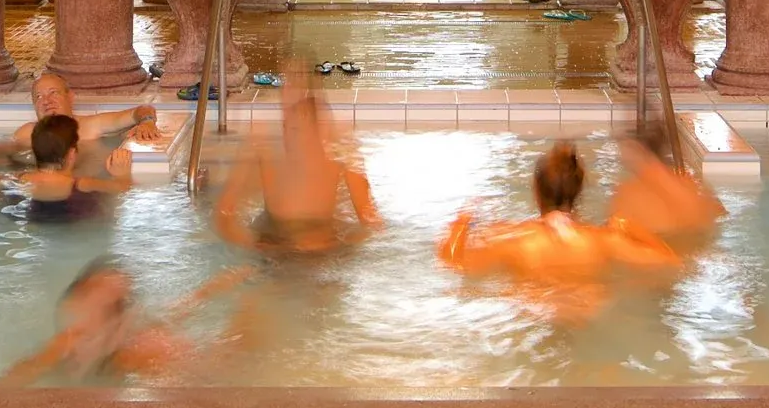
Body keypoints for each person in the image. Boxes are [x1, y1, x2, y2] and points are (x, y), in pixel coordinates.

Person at [438, 142, 681, 294]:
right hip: (588, 312)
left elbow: (453, 263)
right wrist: (631, 227)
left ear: (536, 191)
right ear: (578, 192)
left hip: (534, 312)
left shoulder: (514, 239)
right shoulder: (603, 240)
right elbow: (670, 260)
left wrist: (460, 223)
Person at [0, 257, 255, 386]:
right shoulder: (76, 340)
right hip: (104, 372)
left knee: (162, 341)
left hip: (114, 365)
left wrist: (211, 290)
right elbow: (26, 370)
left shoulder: (123, 327)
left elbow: (174, 312)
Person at [212, 85, 381, 254]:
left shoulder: (342, 158)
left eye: (296, 130)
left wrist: (341, 244)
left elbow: (371, 221)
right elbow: (225, 214)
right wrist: (251, 242)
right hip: (273, 245)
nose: (288, 137)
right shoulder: (267, 156)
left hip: (324, 253)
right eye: (286, 128)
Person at [0, 73, 159, 193]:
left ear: (70, 97)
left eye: (53, 93)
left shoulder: (91, 126)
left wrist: (147, 122)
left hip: (79, 193)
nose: (47, 101)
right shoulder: (27, 133)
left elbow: (142, 110)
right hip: (45, 193)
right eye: (39, 97)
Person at [607, 121, 723, 245]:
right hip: (690, 244)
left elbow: (614, 235)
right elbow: (717, 213)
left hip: (653, 251)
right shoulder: (690, 187)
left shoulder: (626, 193)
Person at [4, 115, 126, 222]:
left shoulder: (15, 180)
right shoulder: (85, 185)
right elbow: (123, 189)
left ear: (35, 152)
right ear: (72, 154)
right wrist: (122, 175)